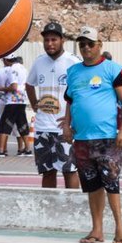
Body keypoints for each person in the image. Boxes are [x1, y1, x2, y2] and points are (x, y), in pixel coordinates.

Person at [62, 26, 122, 243]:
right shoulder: (73, 72)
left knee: (111, 182)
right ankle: (97, 229)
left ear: (99, 45)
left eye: (90, 44)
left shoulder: (113, 69)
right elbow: (70, 101)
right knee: (92, 185)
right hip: (82, 138)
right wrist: (66, 125)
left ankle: (120, 228)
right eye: (82, 44)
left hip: (108, 138)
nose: (85, 48)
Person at [25, 22, 81, 188]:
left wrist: (72, 118)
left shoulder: (73, 62)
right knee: (47, 171)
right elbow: (29, 84)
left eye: (54, 39)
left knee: (69, 169)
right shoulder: (39, 62)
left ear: (62, 40)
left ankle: (71, 207)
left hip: (64, 128)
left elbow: (80, 92)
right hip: (42, 128)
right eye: (46, 40)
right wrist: (34, 104)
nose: (49, 43)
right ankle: (50, 209)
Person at [0, 52, 30, 156]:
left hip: (12, 101)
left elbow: (14, 87)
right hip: (22, 100)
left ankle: (1, 150)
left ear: (7, 60)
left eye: (3, 61)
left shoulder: (12, 69)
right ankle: (27, 149)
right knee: (21, 124)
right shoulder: (23, 68)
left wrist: (3, 88)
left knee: (4, 124)